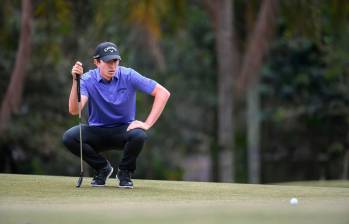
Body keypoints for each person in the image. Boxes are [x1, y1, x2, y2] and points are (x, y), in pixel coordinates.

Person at [62, 41, 170, 188]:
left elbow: (163, 93)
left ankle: (125, 173)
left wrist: (147, 123)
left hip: (123, 130)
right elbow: (75, 110)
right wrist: (76, 81)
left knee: (139, 135)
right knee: (70, 137)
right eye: (108, 62)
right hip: (97, 131)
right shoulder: (87, 79)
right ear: (97, 62)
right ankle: (102, 168)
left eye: (115, 61)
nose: (112, 66)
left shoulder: (129, 75)